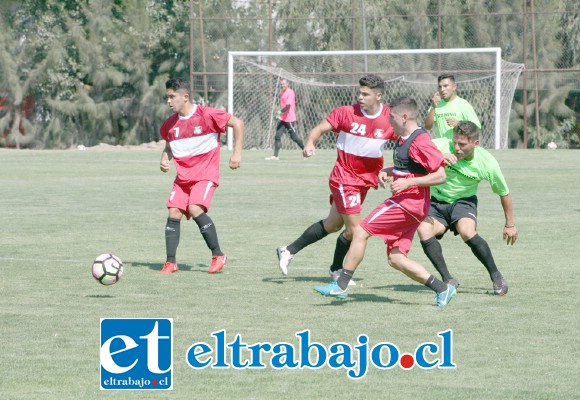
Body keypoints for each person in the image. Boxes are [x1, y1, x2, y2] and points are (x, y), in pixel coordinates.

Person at [314, 96, 457, 308]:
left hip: (409, 203)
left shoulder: (420, 140)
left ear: (405, 117)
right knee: (396, 259)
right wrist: (389, 171)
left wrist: (409, 183)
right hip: (410, 205)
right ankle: (443, 289)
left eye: (392, 118)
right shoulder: (402, 139)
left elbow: (440, 175)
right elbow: (410, 166)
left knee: (360, 231)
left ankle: (341, 284)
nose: (389, 122)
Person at [276, 75, 394, 285]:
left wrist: (391, 169)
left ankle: (288, 250)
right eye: (359, 92)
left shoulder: (389, 118)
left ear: (379, 95)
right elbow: (319, 129)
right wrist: (310, 142)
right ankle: (339, 272)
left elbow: (405, 142)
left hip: (364, 181)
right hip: (344, 178)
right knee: (356, 231)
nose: (360, 97)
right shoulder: (345, 113)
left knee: (332, 225)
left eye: (365, 94)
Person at [417, 120, 516, 296]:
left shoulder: (487, 163)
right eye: (454, 142)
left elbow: (504, 193)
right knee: (424, 230)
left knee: (467, 231)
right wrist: (439, 157)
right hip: (436, 201)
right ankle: (448, 279)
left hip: (463, 202)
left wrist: (510, 224)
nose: (456, 147)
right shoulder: (440, 145)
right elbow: (414, 150)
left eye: (462, 144)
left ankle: (496, 276)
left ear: (475, 143)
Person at [159, 77, 244, 274]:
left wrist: (237, 153)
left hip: (205, 175)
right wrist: (165, 158)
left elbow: (238, 123)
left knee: (195, 208)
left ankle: (218, 255)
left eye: (172, 97)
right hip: (182, 179)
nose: (169, 101)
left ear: (185, 97)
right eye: (167, 97)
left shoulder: (207, 115)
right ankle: (170, 262)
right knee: (173, 212)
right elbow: (169, 145)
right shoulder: (170, 125)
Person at [424, 74, 481, 140]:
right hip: (442, 148)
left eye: (445, 86)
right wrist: (433, 107)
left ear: (454, 87)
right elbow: (427, 126)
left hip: (458, 148)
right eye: (440, 87)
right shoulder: (436, 104)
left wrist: (460, 124)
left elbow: (476, 127)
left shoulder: (463, 104)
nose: (442, 89)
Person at [265, 78, 304, 160]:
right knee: (277, 136)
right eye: (281, 84)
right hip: (283, 119)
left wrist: (279, 112)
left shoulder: (290, 93)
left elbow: (287, 107)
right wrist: (279, 115)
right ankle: (275, 156)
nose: (283, 85)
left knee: (294, 137)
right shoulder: (282, 93)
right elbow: (283, 106)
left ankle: (305, 150)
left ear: (287, 84)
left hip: (290, 119)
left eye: (284, 84)